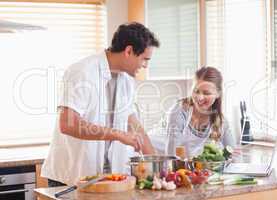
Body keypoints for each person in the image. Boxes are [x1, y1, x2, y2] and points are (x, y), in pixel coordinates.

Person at [41, 22, 160, 186]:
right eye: (145, 59)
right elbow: (68, 124)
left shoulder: (126, 80)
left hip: (104, 178)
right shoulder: (82, 72)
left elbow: (134, 125)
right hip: (70, 178)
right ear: (129, 51)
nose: (145, 65)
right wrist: (118, 134)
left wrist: (159, 169)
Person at [165, 66, 236, 158]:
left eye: (206, 93)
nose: (200, 98)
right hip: (158, 153)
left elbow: (232, 152)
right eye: (196, 91)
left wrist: (232, 156)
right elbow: (172, 155)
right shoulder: (179, 111)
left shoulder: (221, 121)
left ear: (218, 94)